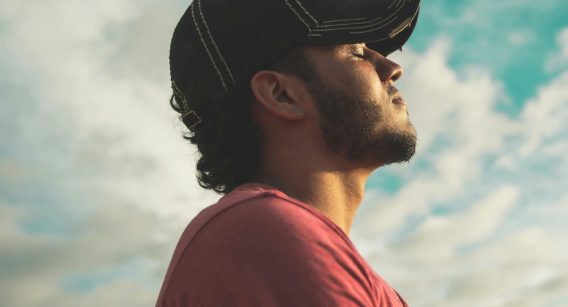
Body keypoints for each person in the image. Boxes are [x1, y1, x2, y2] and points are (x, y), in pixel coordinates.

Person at [156, 0, 421, 306]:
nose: (392, 68)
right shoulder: (262, 234)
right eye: (357, 52)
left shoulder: (272, 240)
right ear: (282, 95)